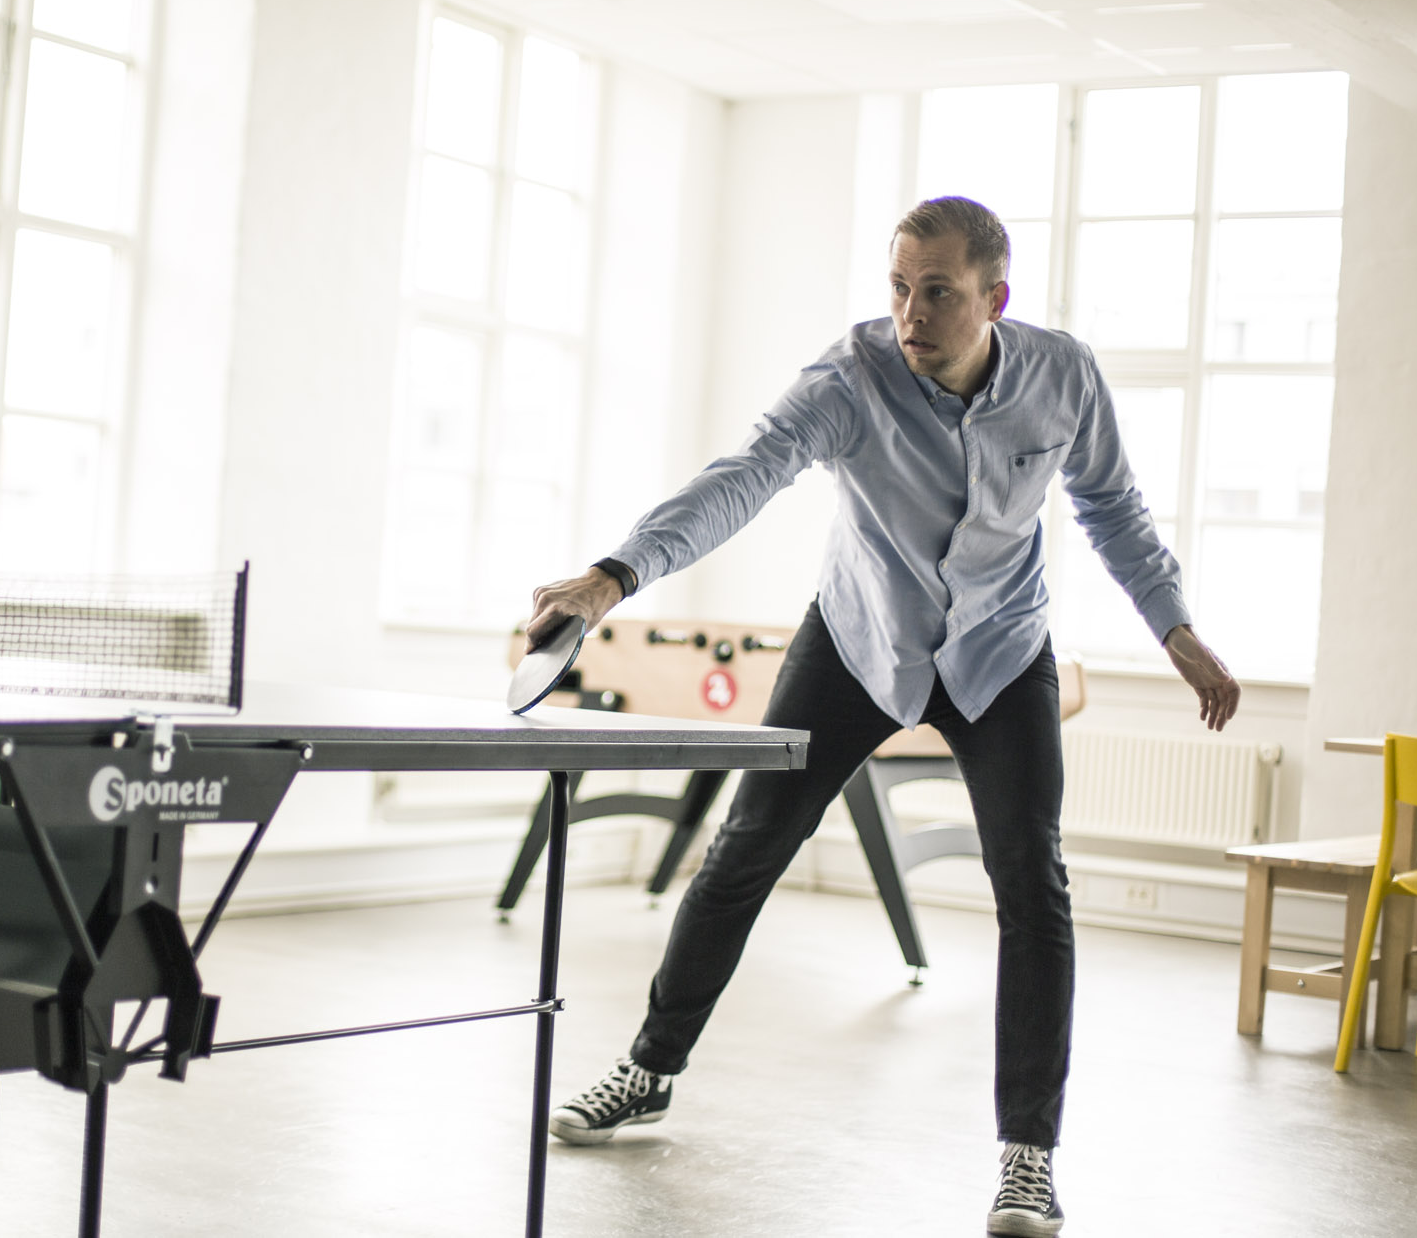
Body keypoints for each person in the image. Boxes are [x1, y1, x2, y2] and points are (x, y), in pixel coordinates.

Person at [524, 197, 1240, 1238]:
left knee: (1031, 886)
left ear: (995, 297)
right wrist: (611, 576)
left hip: (1002, 648)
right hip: (861, 636)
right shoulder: (847, 379)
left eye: (938, 292)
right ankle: (647, 1067)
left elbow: (1112, 509)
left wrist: (1175, 629)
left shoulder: (1063, 376)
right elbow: (744, 477)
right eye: (897, 287)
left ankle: (1027, 1157)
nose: (911, 312)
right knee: (745, 849)